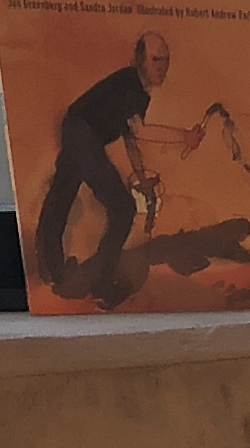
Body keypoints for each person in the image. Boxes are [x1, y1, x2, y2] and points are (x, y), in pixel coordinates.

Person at [30, 31, 171, 303]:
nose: (162, 66)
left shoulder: (137, 90)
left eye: (166, 60)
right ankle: (101, 283)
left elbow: (130, 137)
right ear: (140, 60)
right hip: (82, 133)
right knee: (122, 208)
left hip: (76, 128)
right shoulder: (132, 86)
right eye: (156, 59)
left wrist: (140, 175)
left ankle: (53, 271)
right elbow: (140, 131)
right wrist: (186, 137)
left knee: (61, 195)